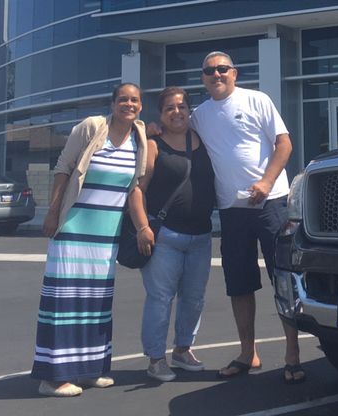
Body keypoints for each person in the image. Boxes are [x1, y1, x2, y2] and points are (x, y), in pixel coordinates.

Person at [31, 83, 149, 397]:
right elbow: (63, 168)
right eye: (123, 99)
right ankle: (53, 378)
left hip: (106, 236)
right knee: (65, 303)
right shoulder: (92, 128)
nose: (128, 104)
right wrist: (53, 212)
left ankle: (89, 369)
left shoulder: (139, 138)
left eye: (134, 100)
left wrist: (143, 226)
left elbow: (135, 187)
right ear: (112, 104)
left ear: (140, 105)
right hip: (73, 229)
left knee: (95, 305)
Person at [193, 51, 304, 384]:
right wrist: (151, 127)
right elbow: (174, 131)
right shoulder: (199, 116)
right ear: (203, 78)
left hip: (271, 204)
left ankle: (293, 354)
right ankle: (247, 353)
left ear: (234, 73)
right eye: (210, 71)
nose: (216, 74)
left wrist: (267, 182)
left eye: (222, 69)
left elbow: (284, 144)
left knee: (282, 279)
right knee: (239, 283)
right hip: (231, 211)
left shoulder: (257, 100)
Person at [137, 87, 216, 382]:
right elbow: (139, 189)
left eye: (182, 107)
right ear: (160, 114)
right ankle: (156, 358)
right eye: (169, 107)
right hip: (165, 236)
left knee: (194, 298)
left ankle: (183, 350)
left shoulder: (203, 139)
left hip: (201, 236)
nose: (177, 112)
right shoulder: (153, 144)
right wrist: (143, 227)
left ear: (189, 111)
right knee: (160, 298)